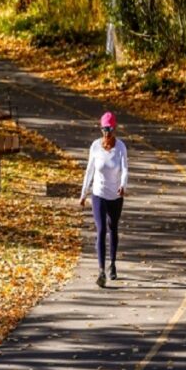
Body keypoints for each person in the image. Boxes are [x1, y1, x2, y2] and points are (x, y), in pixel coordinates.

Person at [79, 111, 128, 288]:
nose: (107, 132)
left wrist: (123, 186)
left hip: (115, 195)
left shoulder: (121, 147)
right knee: (101, 230)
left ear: (115, 129)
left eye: (110, 129)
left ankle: (112, 263)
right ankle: (101, 271)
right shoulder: (95, 147)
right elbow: (89, 171)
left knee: (112, 228)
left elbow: (125, 170)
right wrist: (83, 193)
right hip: (98, 194)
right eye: (104, 129)